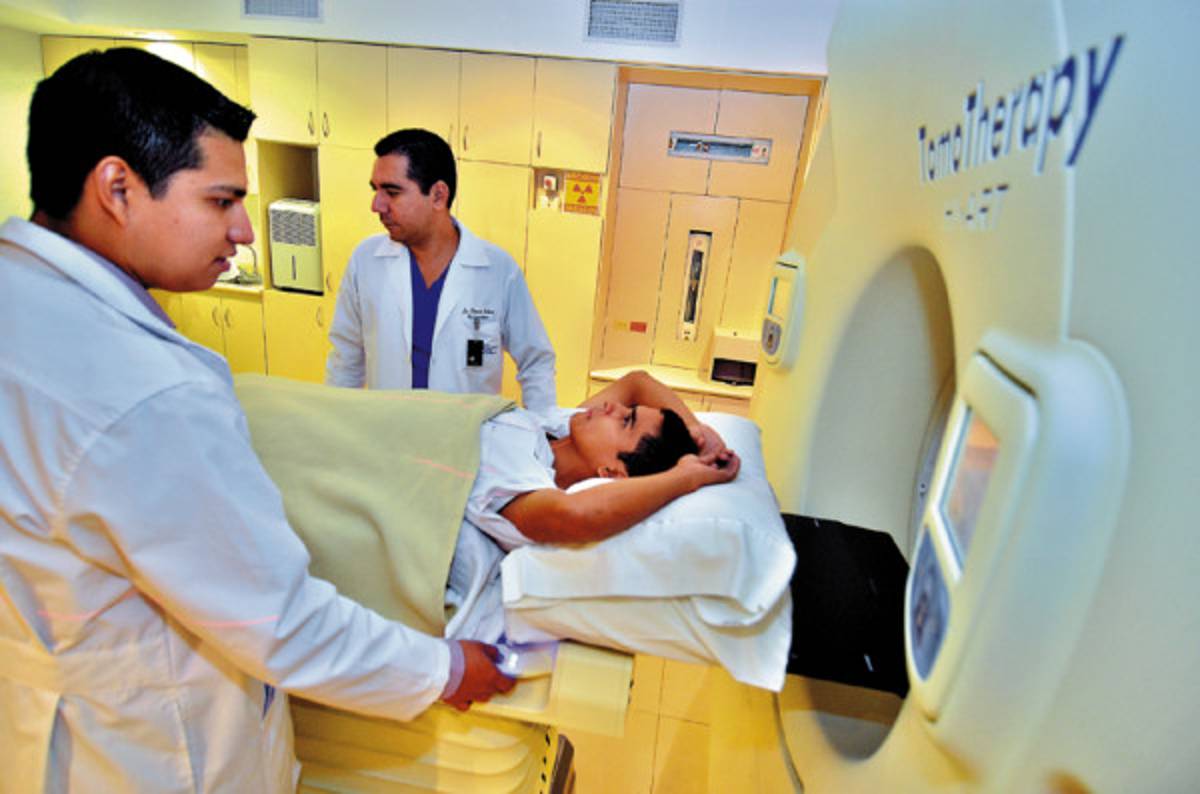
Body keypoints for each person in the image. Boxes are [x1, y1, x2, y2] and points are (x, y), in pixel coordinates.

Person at [0, 48, 513, 794]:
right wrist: (444, 669)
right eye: (221, 201)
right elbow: (278, 619)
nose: (245, 230)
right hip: (153, 756)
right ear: (117, 188)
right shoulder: (147, 392)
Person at [325, 128, 557, 413]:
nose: (377, 205)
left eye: (392, 192)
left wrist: (541, 429)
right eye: (376, 190)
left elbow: (536, 362)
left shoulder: (498, 271)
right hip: (388, 430)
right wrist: (335, 423)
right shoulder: (366, 260)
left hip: (467, 435)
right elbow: (345, 360)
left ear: (438, 195)